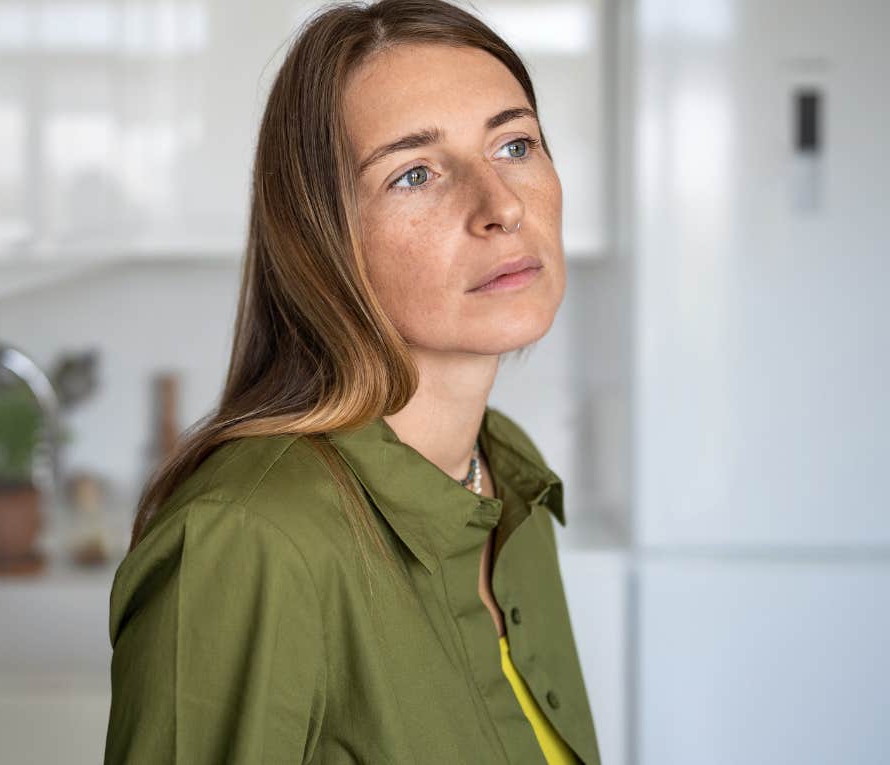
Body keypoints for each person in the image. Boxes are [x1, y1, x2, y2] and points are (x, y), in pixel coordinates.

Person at [104, 1, 600, 762]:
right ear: (322, 241)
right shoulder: (248, 540)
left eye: (515, 144)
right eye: (414, 173)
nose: (501, 205)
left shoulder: (508, 475)